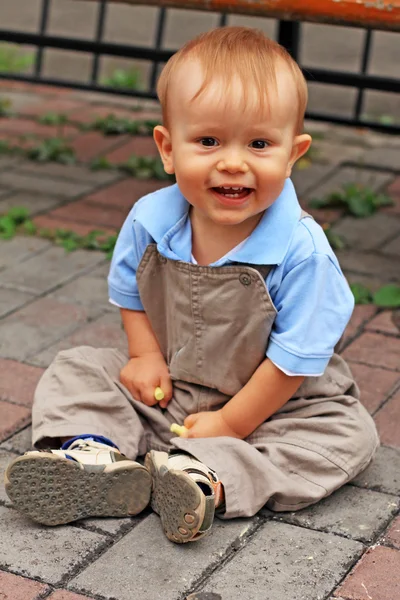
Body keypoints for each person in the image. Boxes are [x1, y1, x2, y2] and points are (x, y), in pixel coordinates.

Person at [4, 26, 379, 544]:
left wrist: (231, 423)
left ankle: (204, 477)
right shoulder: (152, 220)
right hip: (172, 389)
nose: (232, 161)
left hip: (278, 405)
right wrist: (143, 357)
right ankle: (93, 456)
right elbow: (131, 294)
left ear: (293, 155)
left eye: (259, 144)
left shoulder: (302, 251)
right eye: (207, 141)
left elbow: (293, 363)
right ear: (167, 147)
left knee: (347, 434)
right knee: (81, 368)